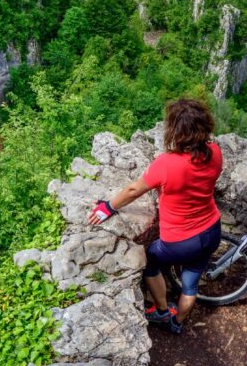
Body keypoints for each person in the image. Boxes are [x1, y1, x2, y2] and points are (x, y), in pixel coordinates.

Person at [88, 98, 223, 334]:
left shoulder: (167, 164)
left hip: (181, 239)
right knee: (190, 284)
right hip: (211, 230)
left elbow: (133, 190)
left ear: (175, 131)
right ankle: (177, 323)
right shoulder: (215, 152)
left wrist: (108, 207)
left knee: (150, 261)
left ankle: (161, 311)